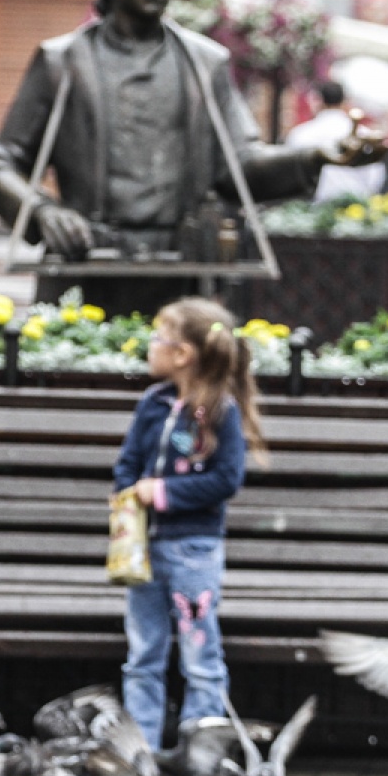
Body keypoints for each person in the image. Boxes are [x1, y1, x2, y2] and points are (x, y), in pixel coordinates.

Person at [0, 0, 385, 312]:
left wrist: (315, 158)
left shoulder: (205, 63)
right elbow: (0, 166)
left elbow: (240, 166)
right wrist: (42, 211)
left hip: (181, 271)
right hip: (85, 264)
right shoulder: (62, 62)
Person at [113, 296, 262, 749]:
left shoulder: (221, 411)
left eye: (158, 338)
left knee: (200, 653)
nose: (150, 346)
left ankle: (202, 749)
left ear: (182, 354)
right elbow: (127, 463)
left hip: (193, 551)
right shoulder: (154, 403)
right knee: (143, 653)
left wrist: (162, 493)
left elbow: (226, 479)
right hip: (144, 549)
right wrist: (128, 497)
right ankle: (142, 750)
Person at [284, 81, 387, 202]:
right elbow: (375, 177)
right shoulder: (365, 135)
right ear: (344, 102)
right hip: (355, 206)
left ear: (318, 101)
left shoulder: (300, 135)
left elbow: (290, 176)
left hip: (311, 206)